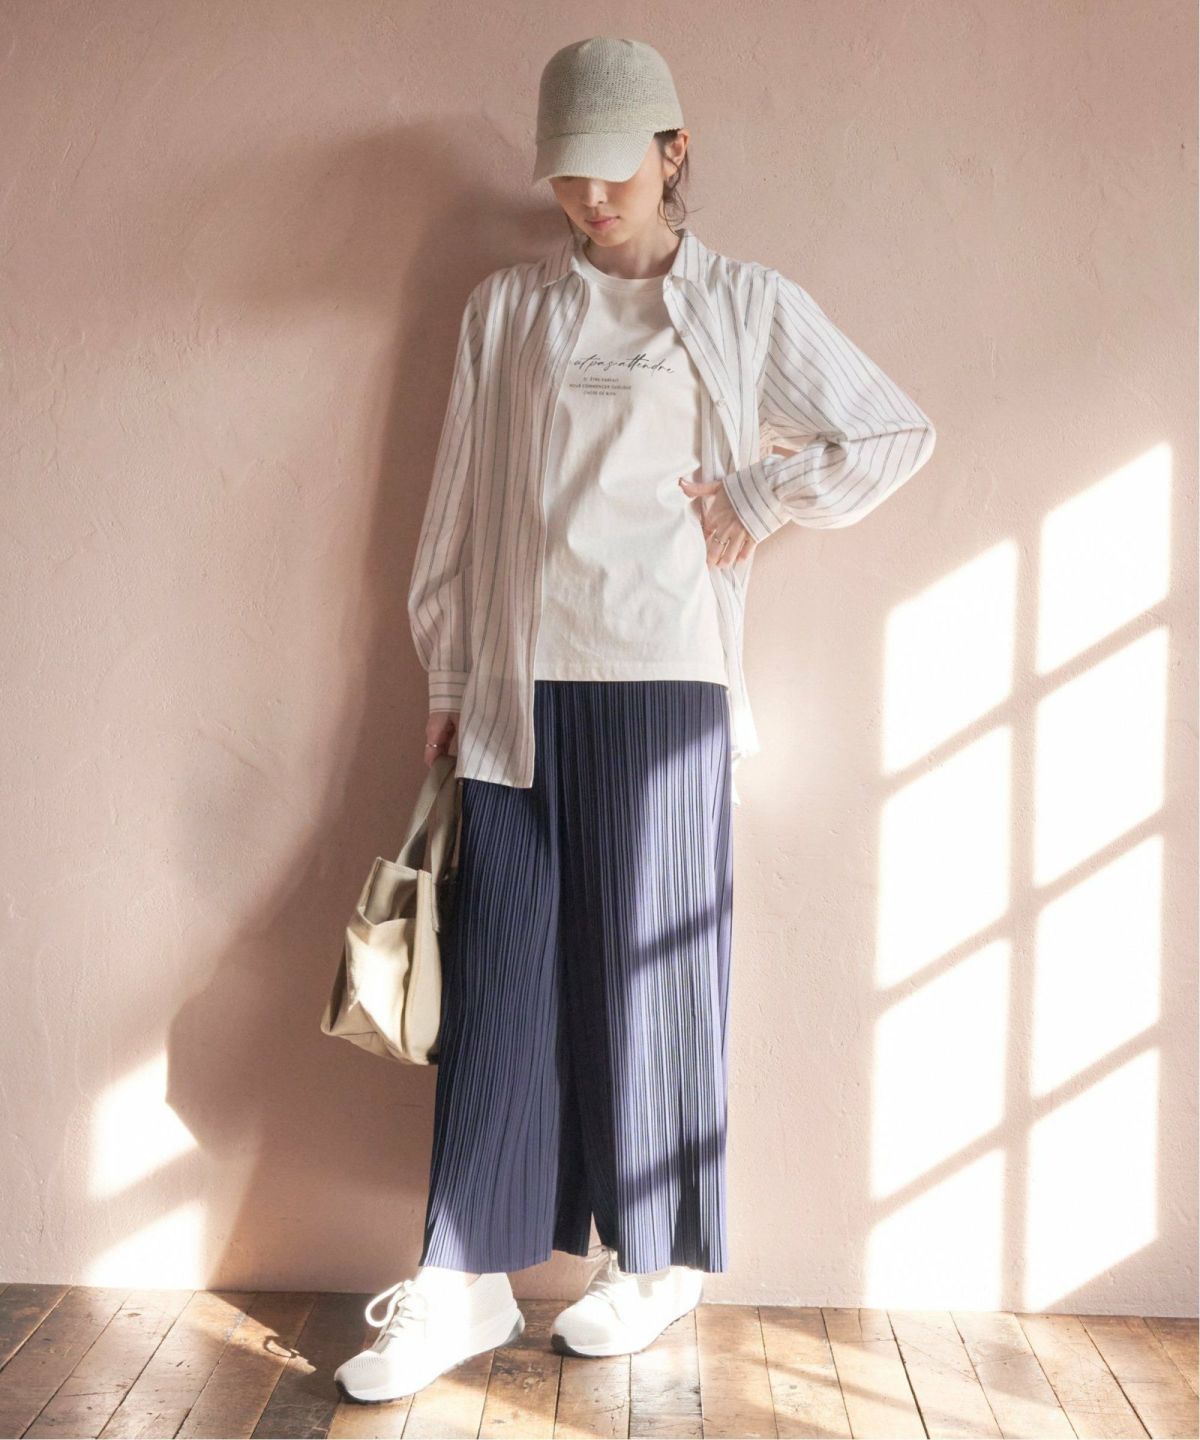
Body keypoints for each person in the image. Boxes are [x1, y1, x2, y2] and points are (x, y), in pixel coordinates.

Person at [335, 36, 936, 1406]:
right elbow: (457, 507)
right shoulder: (506, 312)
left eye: (614, 169)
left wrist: (762, 498)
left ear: (674, 152)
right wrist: (447, 680)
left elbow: (892, 433)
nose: (590, 199)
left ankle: (653, 1263)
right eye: (566, 176)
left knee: (654, 977)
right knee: (499, 980)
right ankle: (463, 1276)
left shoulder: (745, 305)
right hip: (517, 691)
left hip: (669, 686)